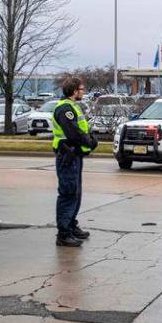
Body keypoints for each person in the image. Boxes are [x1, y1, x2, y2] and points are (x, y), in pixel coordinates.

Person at [52, 77, 99, 247]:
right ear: (73, 91)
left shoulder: (72, 107)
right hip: (68, 156)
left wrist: (90, 139)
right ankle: (63, 234)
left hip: (75, 156)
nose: (83, 91)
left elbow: (82, 128)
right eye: (81, 89)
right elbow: (73, 133)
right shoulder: (65, 108)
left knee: (75, 193)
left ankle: (71, 225)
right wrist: (89, 142)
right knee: (68, 193)